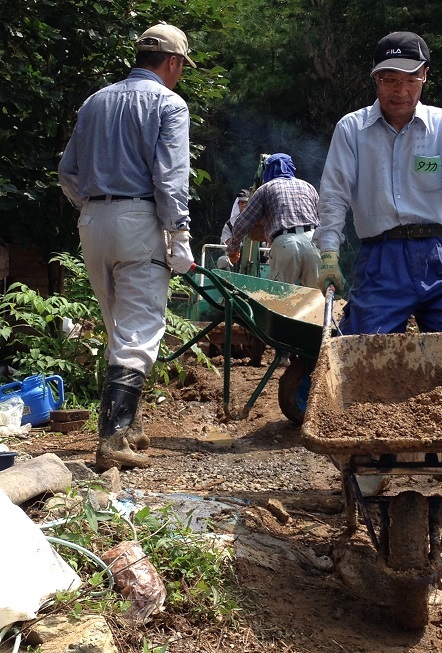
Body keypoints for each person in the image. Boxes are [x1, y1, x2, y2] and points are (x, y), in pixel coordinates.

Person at [58, 22, 196, 470]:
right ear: (172, 62)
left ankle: (130, 424)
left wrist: (95, 208)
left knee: (119, 327)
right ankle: (114, 438)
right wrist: (179, 235)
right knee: (139, 330)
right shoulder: (169, 103)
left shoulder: (95, 101)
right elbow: (171, 178)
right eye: (181, 67)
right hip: (140, 220)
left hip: (93, 219)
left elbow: (68, 172)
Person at [314, 30, 442, 334]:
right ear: (376, 79)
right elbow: (334, 196)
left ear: (425, 76)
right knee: (367, 353)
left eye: (411, 80)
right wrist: (329, 252)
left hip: (439, 257)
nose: (401, 91)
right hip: (380, 261)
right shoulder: (352, 130)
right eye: (390, 80)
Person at [227, 153, 321, 288]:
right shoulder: (308, 187)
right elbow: (323, 218)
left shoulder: (265, 189)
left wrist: (233, 248)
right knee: (317, 298)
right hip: (313, 241)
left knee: (280, 296)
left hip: (285, 243)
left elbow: (242, 223)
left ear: (268, 170)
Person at [216, 189, 249, 270]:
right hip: (234, 260)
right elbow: (226, 242)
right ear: (238, 204)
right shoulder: (229, 225)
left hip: (253, 260)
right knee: (222, 261)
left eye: (247, 203)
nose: (244, 205)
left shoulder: (258, 223)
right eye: (242, 203)